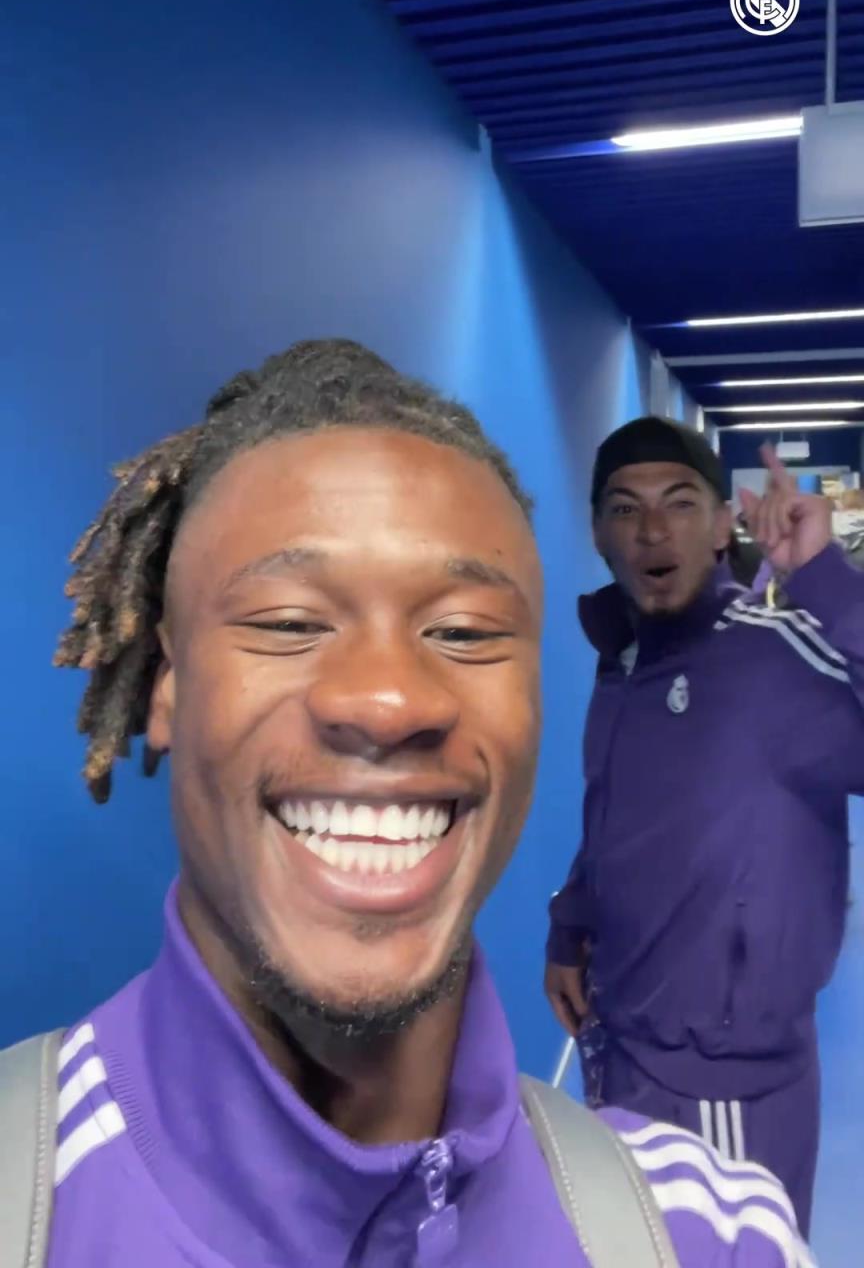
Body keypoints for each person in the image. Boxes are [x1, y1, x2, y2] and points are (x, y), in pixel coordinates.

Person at [5, 347, 808, 1267]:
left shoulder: (708, 1234)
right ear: (166, 684)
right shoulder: (25, 1199)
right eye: (289, 623)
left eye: (462, 632)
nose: (388, 701)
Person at [545, 414, 864, 1240]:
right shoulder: (622, 661)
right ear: (598, 534)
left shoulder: (776, 656)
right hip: (621, 1054)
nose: (653, 529)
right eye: (625, 508)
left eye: (681, 502)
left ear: (725, 526)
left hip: (729, 1092)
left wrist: (824, 578)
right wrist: (570, 925)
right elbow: (616, 809)